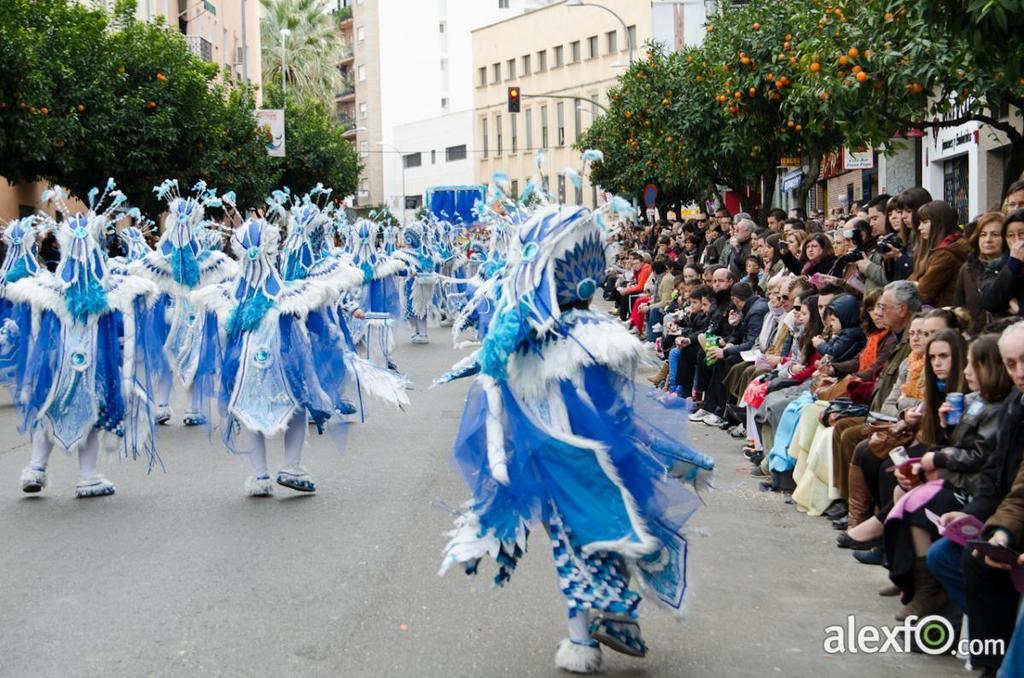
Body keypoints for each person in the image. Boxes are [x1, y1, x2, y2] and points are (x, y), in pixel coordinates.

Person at [436, 201, 714, 673]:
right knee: (594, 538)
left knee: (577, 543)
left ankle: (590, 635)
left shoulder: (560, 339)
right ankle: (610, 624)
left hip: (570, 459)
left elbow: (524, 386)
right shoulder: (588, 333)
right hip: (594, 455)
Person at [10, 184, 160, 497]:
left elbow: (31, 313)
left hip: (55, 366)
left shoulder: (50, 289)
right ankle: (88, 476)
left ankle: (36, 467)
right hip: (96, 367)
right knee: (92, 411)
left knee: (48, 408)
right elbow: (138, 303)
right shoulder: (111, 290)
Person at [910, 200, 970, 307]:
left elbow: (924, 291)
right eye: (919, 223)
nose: (920, 227)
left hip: (945, 314)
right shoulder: (948, 247)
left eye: (925, 222)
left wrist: (911, 285)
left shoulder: (945, 254)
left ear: (939, 223)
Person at [955, 212, 1004, 334]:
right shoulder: (967, 269)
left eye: (995, 234)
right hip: (974, 341)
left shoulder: (1014, 268)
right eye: (983, 235)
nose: (988, 240)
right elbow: (959, 307)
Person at [981, 209, 1024, 319]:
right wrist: (1013, 263)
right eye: (1010, 235)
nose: (1017, 240)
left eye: (1021, 234)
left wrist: (1020, 309)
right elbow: (990, 301)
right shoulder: (996, 266)